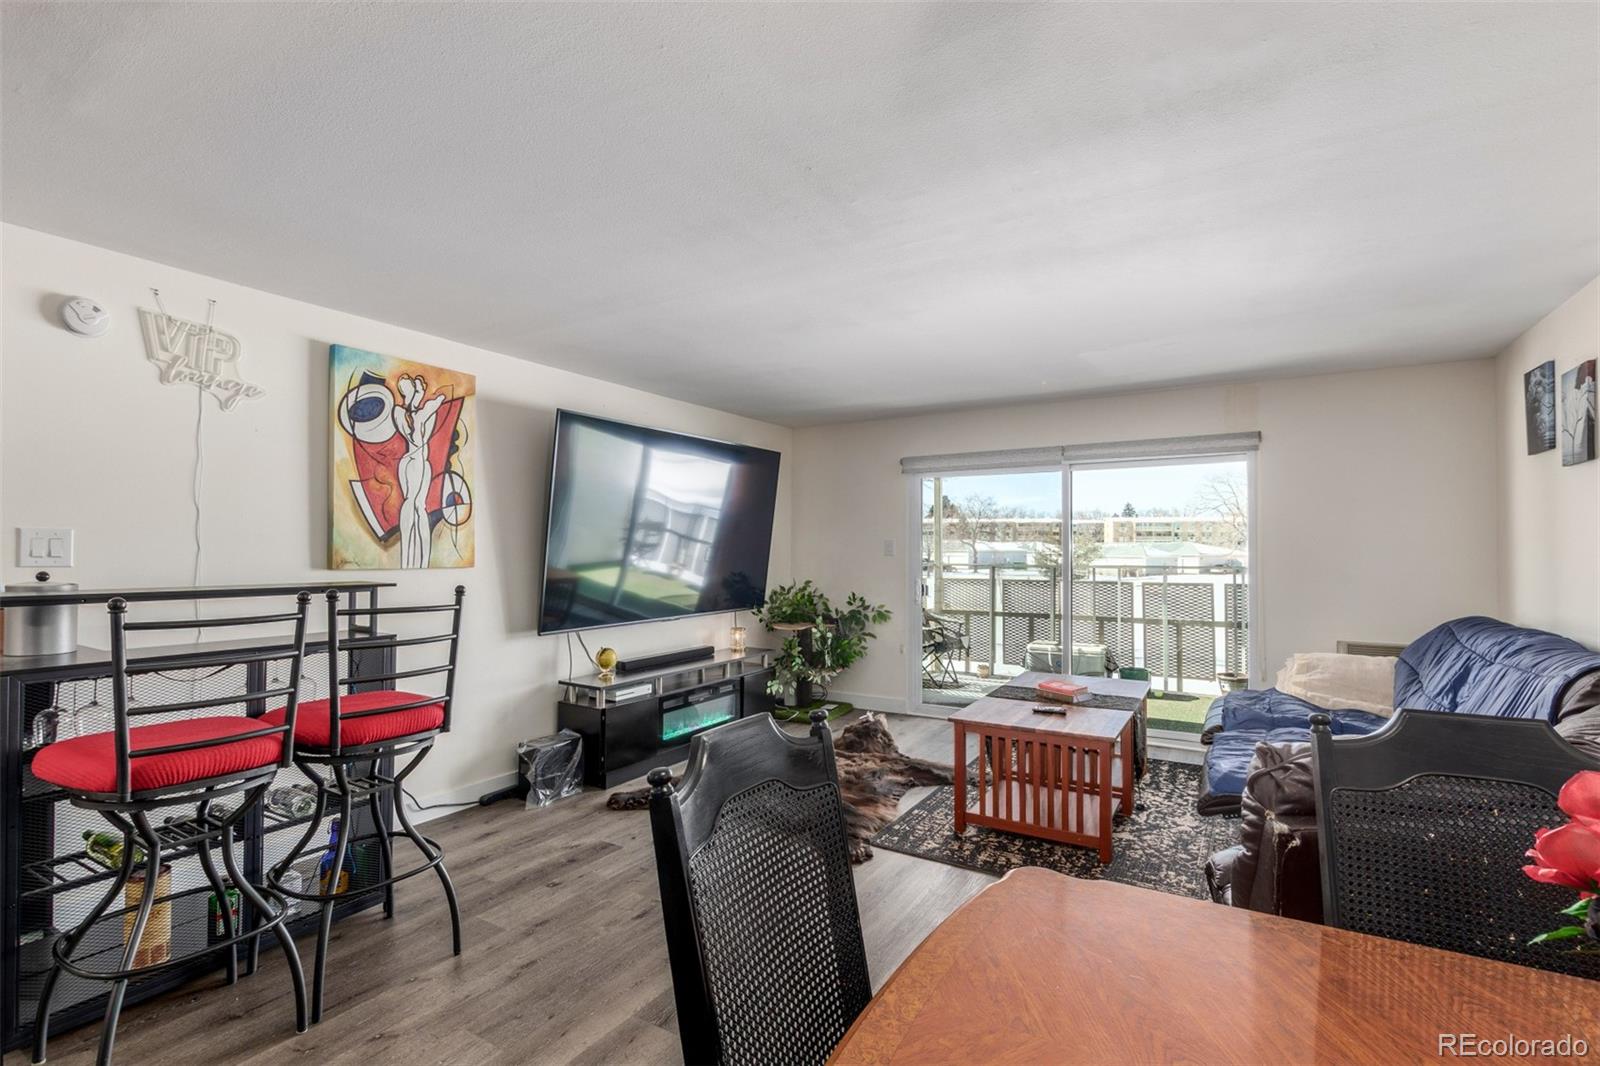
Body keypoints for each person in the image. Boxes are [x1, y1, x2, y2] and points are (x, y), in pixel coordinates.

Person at [392, 374, 447, 568]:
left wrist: (422, 413)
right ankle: (407, 558)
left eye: (414, 388)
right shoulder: (400, 411)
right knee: (411, 503)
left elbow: (425, 436)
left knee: (420, 507)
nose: (413, 391)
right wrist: (419, 413)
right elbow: (414, 439)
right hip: (411, 461)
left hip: (424, 463)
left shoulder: (423, 414)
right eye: (407, 388)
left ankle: (422, 561)